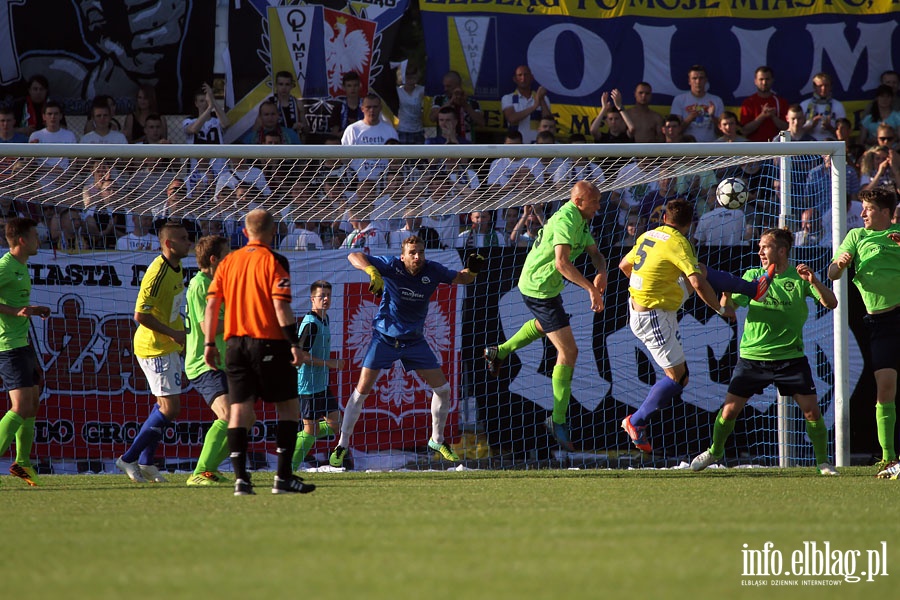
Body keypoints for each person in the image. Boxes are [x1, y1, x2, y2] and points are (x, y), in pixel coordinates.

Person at [618, 199, 775, 453]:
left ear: (665, 218)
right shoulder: (679, 242)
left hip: (649, 306)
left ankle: (751, 288)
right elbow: (699, 285)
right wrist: (720, 309)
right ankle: (635, 422)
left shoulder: (649, 234)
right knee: (678, 378)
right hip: (652, 317)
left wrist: (652, 284)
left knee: (699, 268)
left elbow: (624, 266)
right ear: (691, 224)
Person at [691, 228, 839, 474]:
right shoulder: (752, 276)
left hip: (790, 358)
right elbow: (728, 311)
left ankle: (823, 462)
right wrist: (725, 294)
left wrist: (814, 281)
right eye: (759, 246)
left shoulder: (799, 277)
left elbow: (831, 303)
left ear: (782, 251)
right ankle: (715, 451)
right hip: (753, 358)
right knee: (729, 411)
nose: (759, 251)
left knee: (812, 411)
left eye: (765, 247)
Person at [329, 236, 480, 468]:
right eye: (412, 252)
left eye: (420, 252)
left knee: (443, 389)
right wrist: (372, 271)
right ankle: (342, 444)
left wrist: (473, 268)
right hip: (385, 339)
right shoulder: (392, 266)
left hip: (414, 341)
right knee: (360, 392)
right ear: (403, 255)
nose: (417, 257)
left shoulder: (433, 270)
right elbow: (353, 255)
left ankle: (437, 440)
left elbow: (463, 278)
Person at [483, 181, 607, 451]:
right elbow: (562, 263)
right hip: (539, 287)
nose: (599, 205)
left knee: (546, 326)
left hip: (546, 287)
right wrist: (591, 290)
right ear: (578, 202)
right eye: (594, 201)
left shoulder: (581, 220)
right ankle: (557, 419)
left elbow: (596, 255)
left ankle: (500, 351)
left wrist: (602, 272)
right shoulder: (566, 219)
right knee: (569, 352)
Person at [204, 209, 314, 495]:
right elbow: (281, 307)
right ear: (273, 231)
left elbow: (212, 305)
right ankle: (282, 478)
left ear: (244, 232)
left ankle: (241, 480)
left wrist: (208, 344)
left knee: (239, 410)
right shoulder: (275, 261)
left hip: (234, 345)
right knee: (288, 408)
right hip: (268, 342)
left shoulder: (229, 262)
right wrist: (294, 343)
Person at [828, 188, 900, 475]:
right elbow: (832, 273)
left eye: (868, 208)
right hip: (880, 324)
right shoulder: (856, 237)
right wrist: (840, 264)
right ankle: (889, 457)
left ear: (885, 211)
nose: (862, 214)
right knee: (885, 388)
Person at [116, 221, 192, 483]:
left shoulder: (176, 266)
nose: (189, 242)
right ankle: (128, 458)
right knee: (170, 408)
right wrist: (173, 333)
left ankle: (147, 463)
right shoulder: (157, 273)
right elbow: (140, 315)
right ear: (169, 244)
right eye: (183, 238)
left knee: (165, 406)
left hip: (168, 345)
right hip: (154, 348)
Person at [0, 218, 52, 486]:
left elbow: (12, 303)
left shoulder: (21, 266)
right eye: (34, 235)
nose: (38, 240)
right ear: (22, 240)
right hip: (8, 346)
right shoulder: (5, 267)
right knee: (20, 406)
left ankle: (22, 463)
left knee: (32, 404)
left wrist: (32, 309)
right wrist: (15, 312)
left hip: (23, 343)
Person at [183, 235, 233, 486]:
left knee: (244, 420)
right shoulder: (202, 283)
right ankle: (199, 473)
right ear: (214, 259)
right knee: (228, 414)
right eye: (227, 255)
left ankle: (209, 469)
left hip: (222, 361)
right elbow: (208, 327)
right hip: (205, 363)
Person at [292, 281, 345, 470]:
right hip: (307, 385)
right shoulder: (310, 324)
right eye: (322, 296)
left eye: (329, 295)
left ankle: (305, 434)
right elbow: (300, 355)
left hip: (321, 383)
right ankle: (289, 468)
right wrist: (329, 363)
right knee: (310, 430)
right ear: (312, 299)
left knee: (336, 424)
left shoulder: (326, 318)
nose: (326, 299)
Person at [670, 65, 724, 142]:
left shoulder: (716, 100)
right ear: (689, 81)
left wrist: (712, 116)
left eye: (701, 78)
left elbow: (721, 133)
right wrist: (691, 117)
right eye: (694, 78)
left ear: (706, 80)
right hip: (688, 147)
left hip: (711, 148)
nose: (698, 81)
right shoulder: (679, 100)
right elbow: (675, 132)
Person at [429, 70, 485, 142]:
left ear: (458, 85)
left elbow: (482, 123)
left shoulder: (472, 102)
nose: (445, 89)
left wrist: (465, 105)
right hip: (444, 141)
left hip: (466, 142)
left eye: (449, 86)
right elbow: (432, 118)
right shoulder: (439, 99)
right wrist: (450, 102)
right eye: (444, 86)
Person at [501, 65, 551, 144]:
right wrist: (534, 106)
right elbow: (511, 118)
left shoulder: (543, 99)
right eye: (520, 75)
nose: (523, 78)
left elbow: (548, 121)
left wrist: (541, 99)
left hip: (536, 147)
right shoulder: (508, 98)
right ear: (515, 79)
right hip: (516, 146)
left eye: (526, 75)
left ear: (532, 77)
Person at [739, 66, 789, 143]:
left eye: (767, 79)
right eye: (761, 79)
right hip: (754, 148)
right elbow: (744, 131)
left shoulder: (781, 102)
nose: (764, 83)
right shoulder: (748, 103)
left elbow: (787, 129)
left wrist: (773, 116)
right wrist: (762, 116)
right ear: (755, 81)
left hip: (777, 147)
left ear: (772, 80)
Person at [799, 73, 846, 141]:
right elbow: (796, 133)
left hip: (831, 145)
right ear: (814, 87)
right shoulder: (804, 105)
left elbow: (844, 134)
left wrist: (829, 127)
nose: (823, 88)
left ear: (831, 87)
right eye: (820, 86)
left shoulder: (838, 105)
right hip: (808, 146)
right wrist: (811, 126)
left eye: (826, 86)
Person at [267, 71, 309, 140]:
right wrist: (290, 130)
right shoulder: (269, 103)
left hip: (293, 145)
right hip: (275, 144)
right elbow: (261, 128)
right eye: (281, 84)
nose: (284, 87)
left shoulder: (298, 104)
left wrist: (302, 127)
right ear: (276, 86)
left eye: (287, 84)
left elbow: (307, 131)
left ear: (292, 86)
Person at [396, 63, 425, 144]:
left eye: (413, 74)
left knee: (419, 156)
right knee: (403, 156)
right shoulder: (398, 91)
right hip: (402, 130)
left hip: (418, 130)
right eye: (407, 74)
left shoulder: (422, 90)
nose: (410, 77)